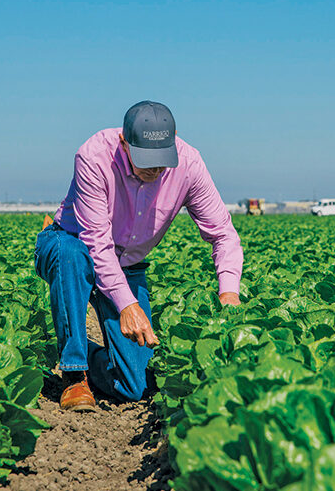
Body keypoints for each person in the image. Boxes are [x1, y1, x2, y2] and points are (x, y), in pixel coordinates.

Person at [34, 101, 243, 411]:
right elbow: (96, 243)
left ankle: (79, 353)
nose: (155, 170)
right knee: (70, 254)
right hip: (74, 243)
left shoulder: (189, 164)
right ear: (124, 142)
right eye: (146, 159)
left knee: (135, 385)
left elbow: (223, 233)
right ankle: (73, 375)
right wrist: (128, 304)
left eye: (162, 160)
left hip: (128, 264)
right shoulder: (94, 156)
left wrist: (229, 292)